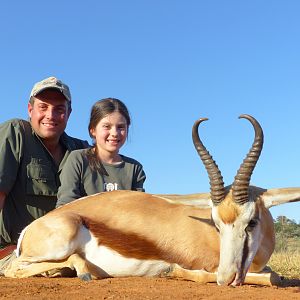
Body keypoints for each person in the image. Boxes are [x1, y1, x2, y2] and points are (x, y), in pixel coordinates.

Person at [0, 76, 89, 268]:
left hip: (66, 250)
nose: (51, 115)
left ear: (69, 113)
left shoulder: (80, 149)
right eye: (43, 107)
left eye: (59, 109)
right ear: (30, 109)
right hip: (19, 253)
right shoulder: (15, 133)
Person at [56, 98, 146, 207]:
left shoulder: (135, 168)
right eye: (107, 126)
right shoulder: (77, 159)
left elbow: (138, 210)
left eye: (121, 127)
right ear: (93, 130)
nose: (114, 133)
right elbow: (66, 205)